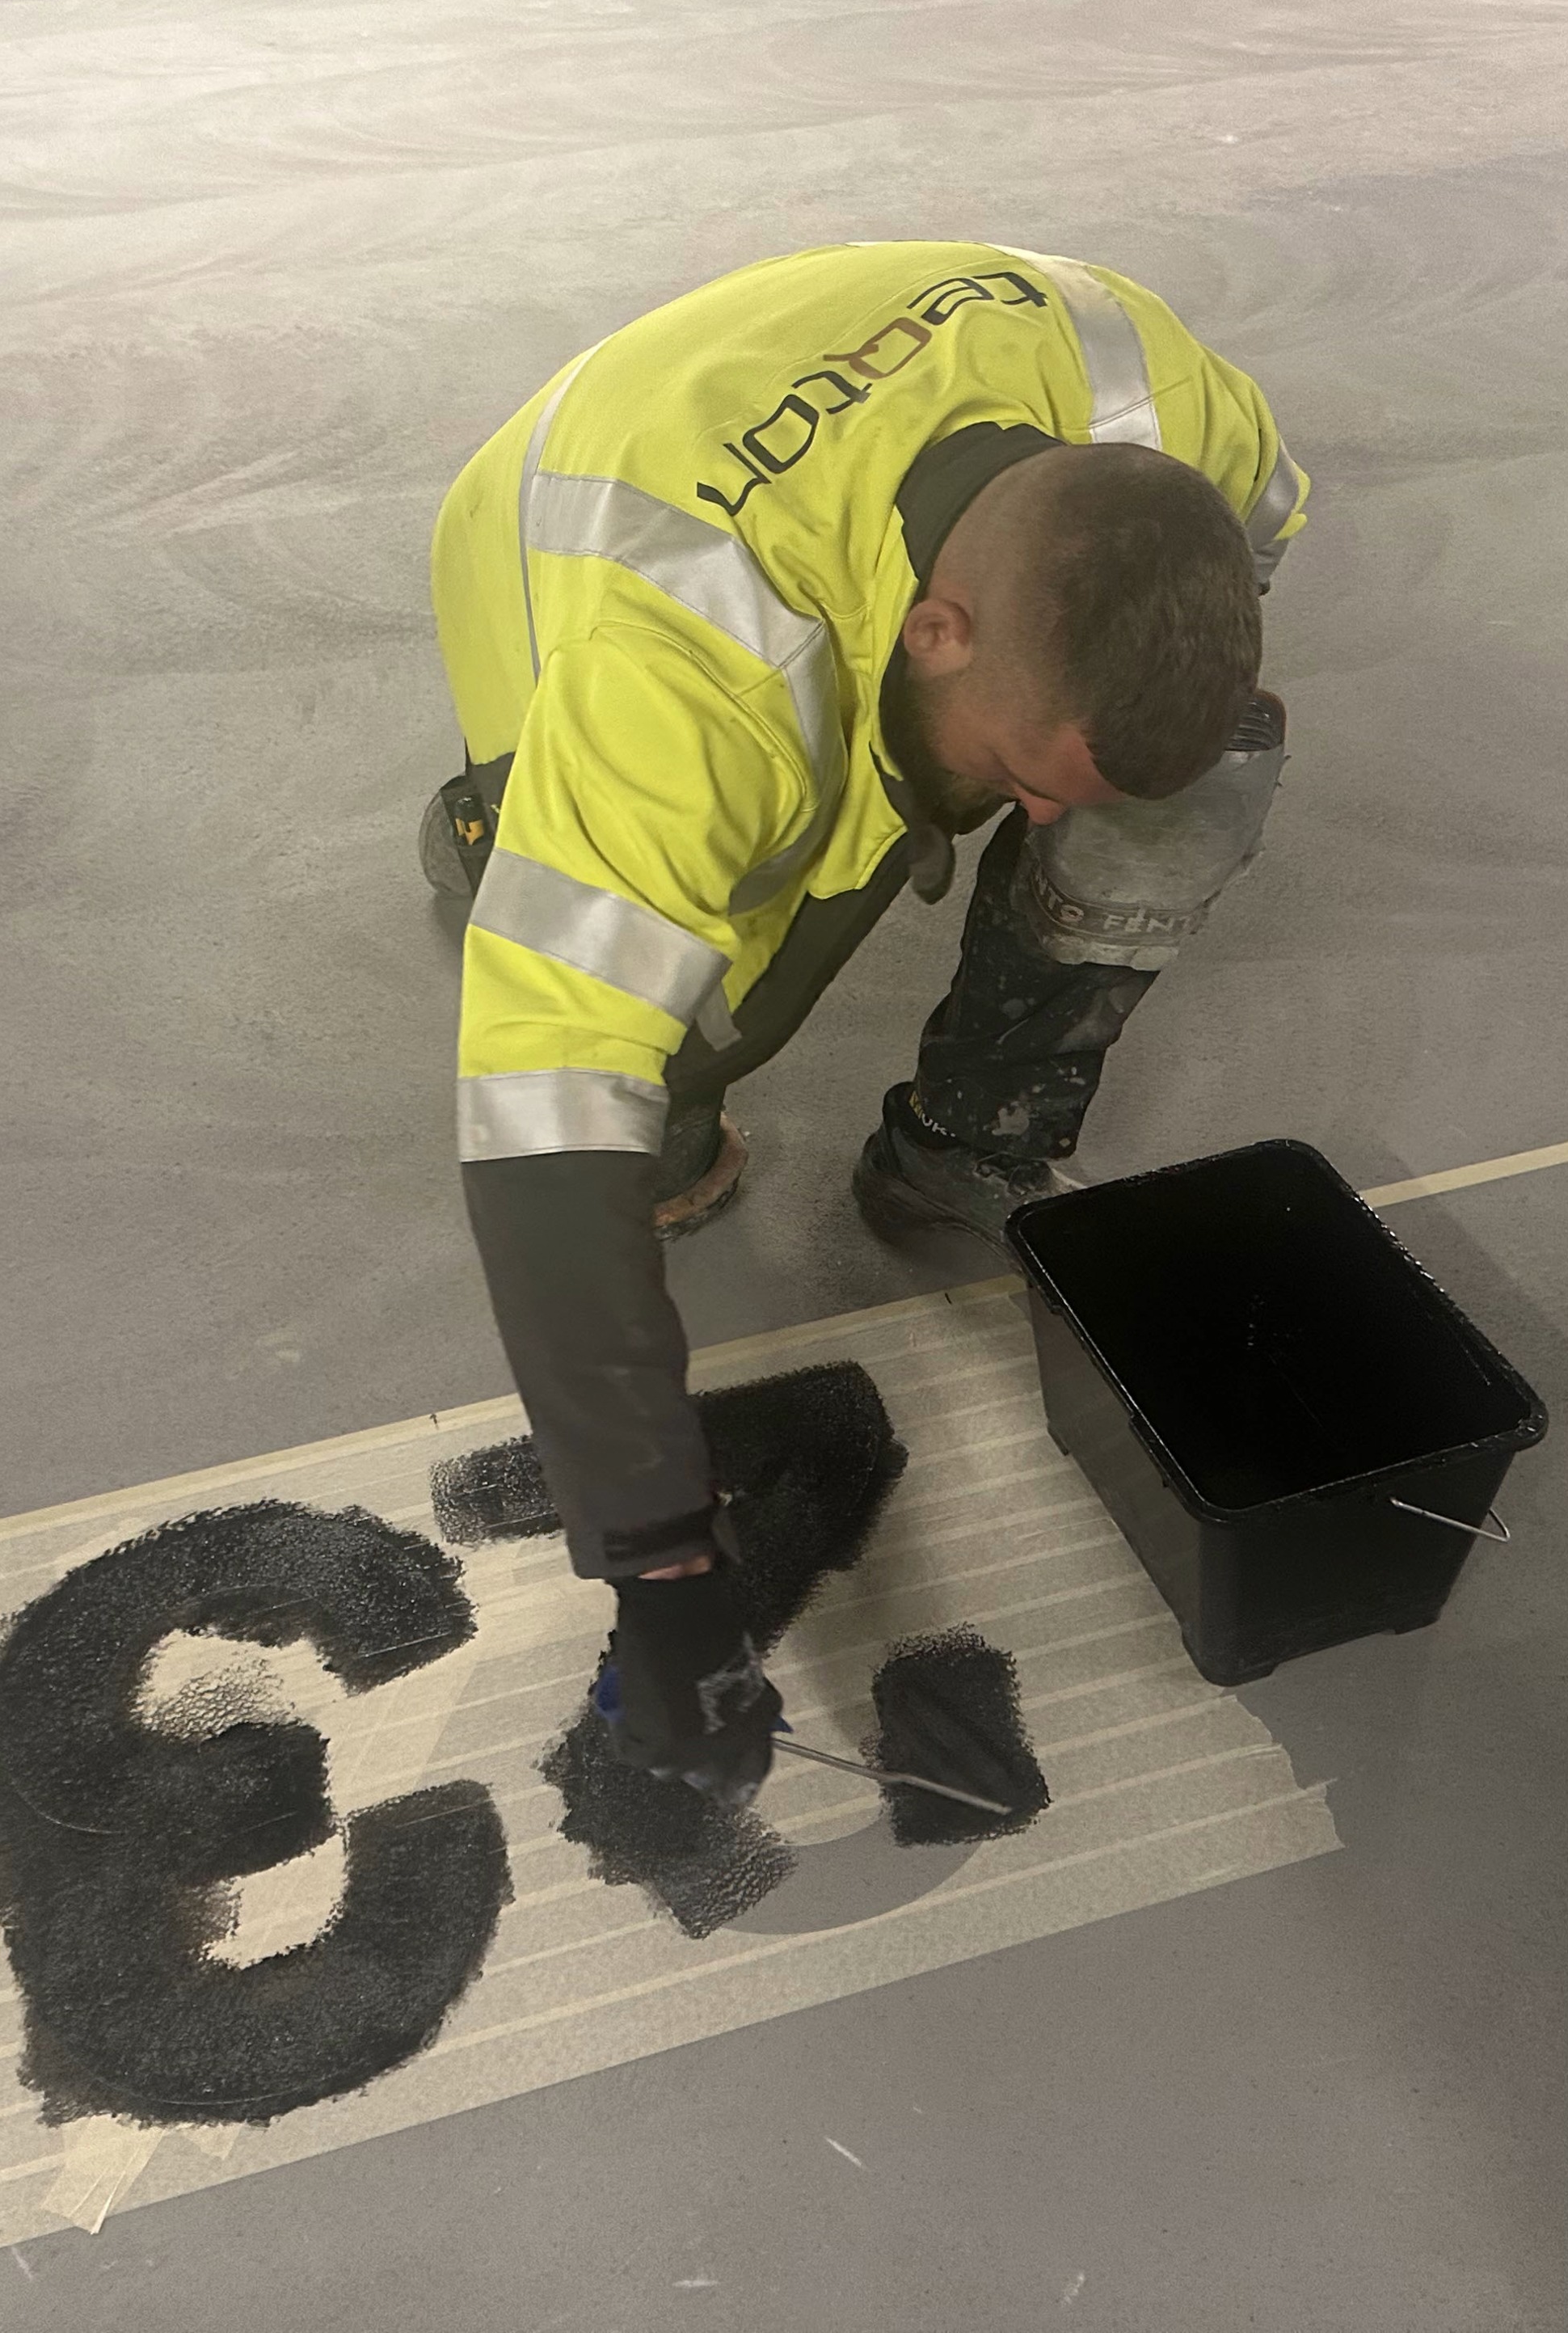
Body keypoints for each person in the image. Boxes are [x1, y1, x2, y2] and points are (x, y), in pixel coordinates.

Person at [424, 242, 1304, 1806]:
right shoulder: (678, 685)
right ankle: (503, 832)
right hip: (576, 539)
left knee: (1202, 770)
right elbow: (549, 1115)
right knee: (698, 1017)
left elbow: (1232, 572)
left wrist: (1077, 761)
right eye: (1024, 783)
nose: (1040, 829)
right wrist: (662, 1570)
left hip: (853, 527)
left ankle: (966, 1128)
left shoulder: (1182, 422)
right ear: (941, 630)